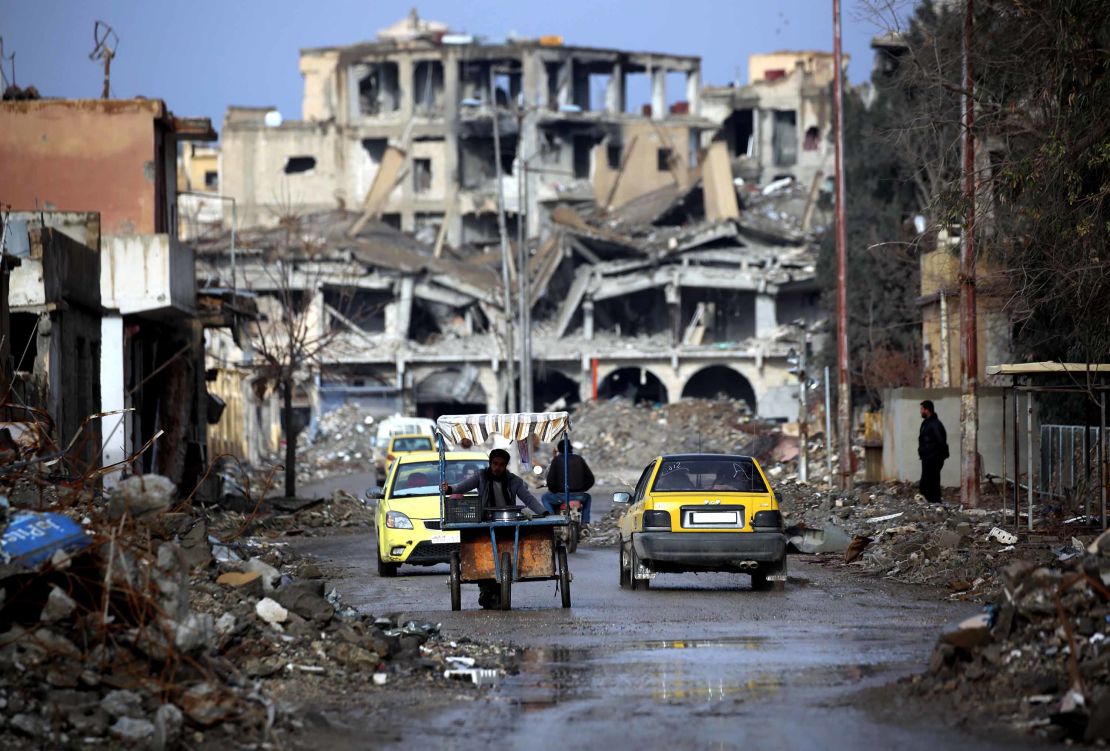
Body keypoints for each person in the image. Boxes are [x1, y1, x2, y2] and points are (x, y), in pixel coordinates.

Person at [442, 448, 547, 609]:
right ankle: (485, 590)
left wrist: (543, 512)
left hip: (508, 522)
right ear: (490, 463)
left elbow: (528, 498)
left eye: (501, 465)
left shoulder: (514, 481)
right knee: (483, 555)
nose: (497, 468)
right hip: (485, 522)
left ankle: (499, 590)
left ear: (506, 466)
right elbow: (460, 488)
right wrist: (448, 489)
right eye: (495, 464)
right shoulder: (481, 476)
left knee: (507, 552)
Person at [541, 442, 596, 535]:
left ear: (559, 449)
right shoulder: (579, 459)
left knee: (545, 498)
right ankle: (585, 523)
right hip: (579, 496)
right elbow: (591, 479)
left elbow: (550, 480)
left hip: (561, 495)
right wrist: (582, 489)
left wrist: (554, 490)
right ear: (571, 448)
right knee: (588, 498)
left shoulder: (556, 460)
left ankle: (553, 521)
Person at [918, 400, 949, 503]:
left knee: (932, 482)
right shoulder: (927, 423)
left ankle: (934, 503)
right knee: (926, 482)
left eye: (922, 409)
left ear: (927, 410)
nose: (920, 411)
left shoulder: (935, 424)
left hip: (933, 458)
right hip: (927, 457)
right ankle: (928, 503)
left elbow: (941, 441)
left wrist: (938, 457)